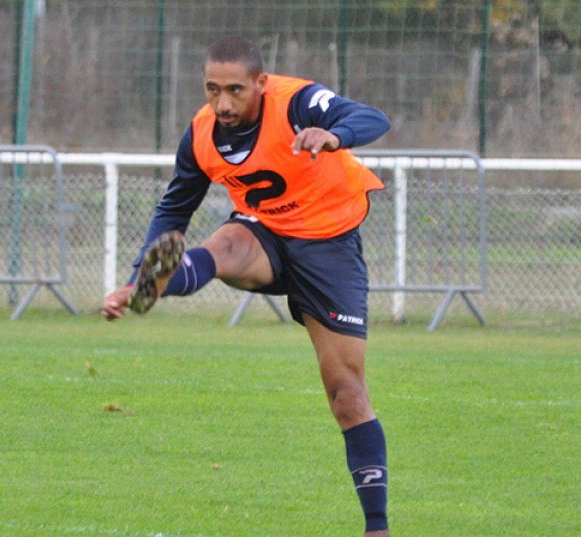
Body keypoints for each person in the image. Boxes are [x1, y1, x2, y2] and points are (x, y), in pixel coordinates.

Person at [102, 36, 392, 536]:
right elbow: (175, 209)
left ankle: (376, 526)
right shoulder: (202, 133)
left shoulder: (298, 102)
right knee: (226, 246)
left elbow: (373, 118)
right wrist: (135, 276)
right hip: (262, 233)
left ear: (261, 82)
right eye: (212, 89)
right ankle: (153, 286)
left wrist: (333, 136)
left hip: (328, 246)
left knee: (346, 393)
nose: (223, 103)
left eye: (235, 90)